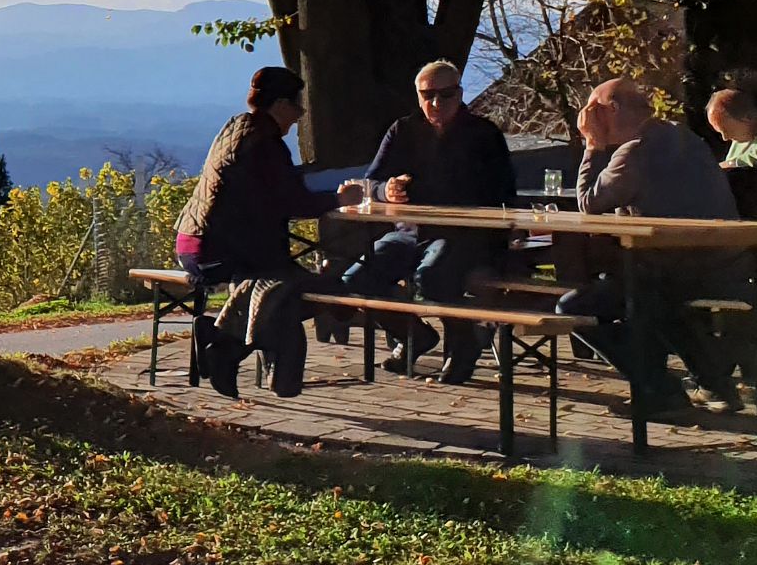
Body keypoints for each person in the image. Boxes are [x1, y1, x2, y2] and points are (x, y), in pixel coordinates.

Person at [560, 78, 747, 415]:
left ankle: (661, 390)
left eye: (593, 110)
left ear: (612, 110)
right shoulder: (684, 137)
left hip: (673, 272)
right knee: (654, 298)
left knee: (577, 307)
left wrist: (591, 143)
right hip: (723, 265)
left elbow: (588, 203)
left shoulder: (635, 151)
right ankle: (715, 383)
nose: (588, 118)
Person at [335, 60, 515, 384]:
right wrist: (385, 190)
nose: (435, 103)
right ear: (417, 95)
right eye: (427, 94)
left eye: (445, 95)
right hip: (409, 233)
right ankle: (414, 335)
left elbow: (503, 195)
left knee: (432, 275)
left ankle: (462, 347)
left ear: (460, 94)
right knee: (355, 279)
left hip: (463, 235)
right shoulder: (402, 129)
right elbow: (370, 182)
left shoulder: (484, 135)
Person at [174, 66, 350, 287]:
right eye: (297, 105)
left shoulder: (236, 128)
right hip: (222, 251)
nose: (300, 114)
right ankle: (231, 323)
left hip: (191, 243)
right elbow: (295, 203)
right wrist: (340, 200)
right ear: (280, 105)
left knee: (289, 293)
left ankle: (234, 321)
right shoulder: (265, 143)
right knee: (328, 291)